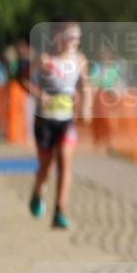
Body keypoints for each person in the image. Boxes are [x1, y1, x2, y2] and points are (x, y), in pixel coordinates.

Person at [27, 21, 91, 229]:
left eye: (78, 38)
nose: (75, 42)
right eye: (71, 37)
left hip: (66, 121)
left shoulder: (80, 60)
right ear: (59, 38)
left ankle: (60, 211)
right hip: (44, 121)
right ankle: (38, 191)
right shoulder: (45, 59)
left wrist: (86, 106)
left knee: (65, 161)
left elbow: (85, 85)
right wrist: (39, 94)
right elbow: (24, 78)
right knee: (45, 168)